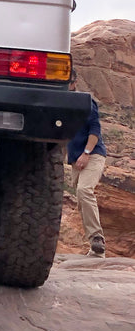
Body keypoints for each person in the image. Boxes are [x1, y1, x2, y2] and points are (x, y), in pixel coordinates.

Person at [67, 73, 107, 258]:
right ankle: (95, 248)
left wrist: (86, 153)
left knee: (84, 191)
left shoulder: (85, 102)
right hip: (76, 159)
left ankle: (97, 238)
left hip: (92, 155)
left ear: (75, 82)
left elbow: (95, 129)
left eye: (68, 82)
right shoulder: (61, 102)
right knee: (81, 202)